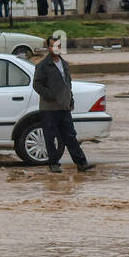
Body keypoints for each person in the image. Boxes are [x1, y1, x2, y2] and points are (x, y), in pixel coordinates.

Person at [32, 35, 92, 173]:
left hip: (64, 107)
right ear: (48, 48)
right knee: (50, 137)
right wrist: (50, 95)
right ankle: (53, 164)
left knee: (70, 136)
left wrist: (71, 100)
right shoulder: (43, 65)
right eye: (53, 46)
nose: (56, 48)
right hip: (49, 108)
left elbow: (68, 84)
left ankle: (81, 163)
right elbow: (37, 85)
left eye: (58, 46)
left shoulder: (64, 64)